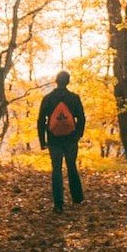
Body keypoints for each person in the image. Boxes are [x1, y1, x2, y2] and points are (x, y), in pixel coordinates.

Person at [37, 71, 86, 211]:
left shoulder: (48, 98)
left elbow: (41, 120)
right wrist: (78, 135)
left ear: (56, 81)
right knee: (72, 166)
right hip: (71, 138)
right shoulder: (74, 98)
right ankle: (77, 198)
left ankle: (58, 205)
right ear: (68, 82)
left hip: (54, 139)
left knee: (56, 170)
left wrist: (42, 140)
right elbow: (81, 118)